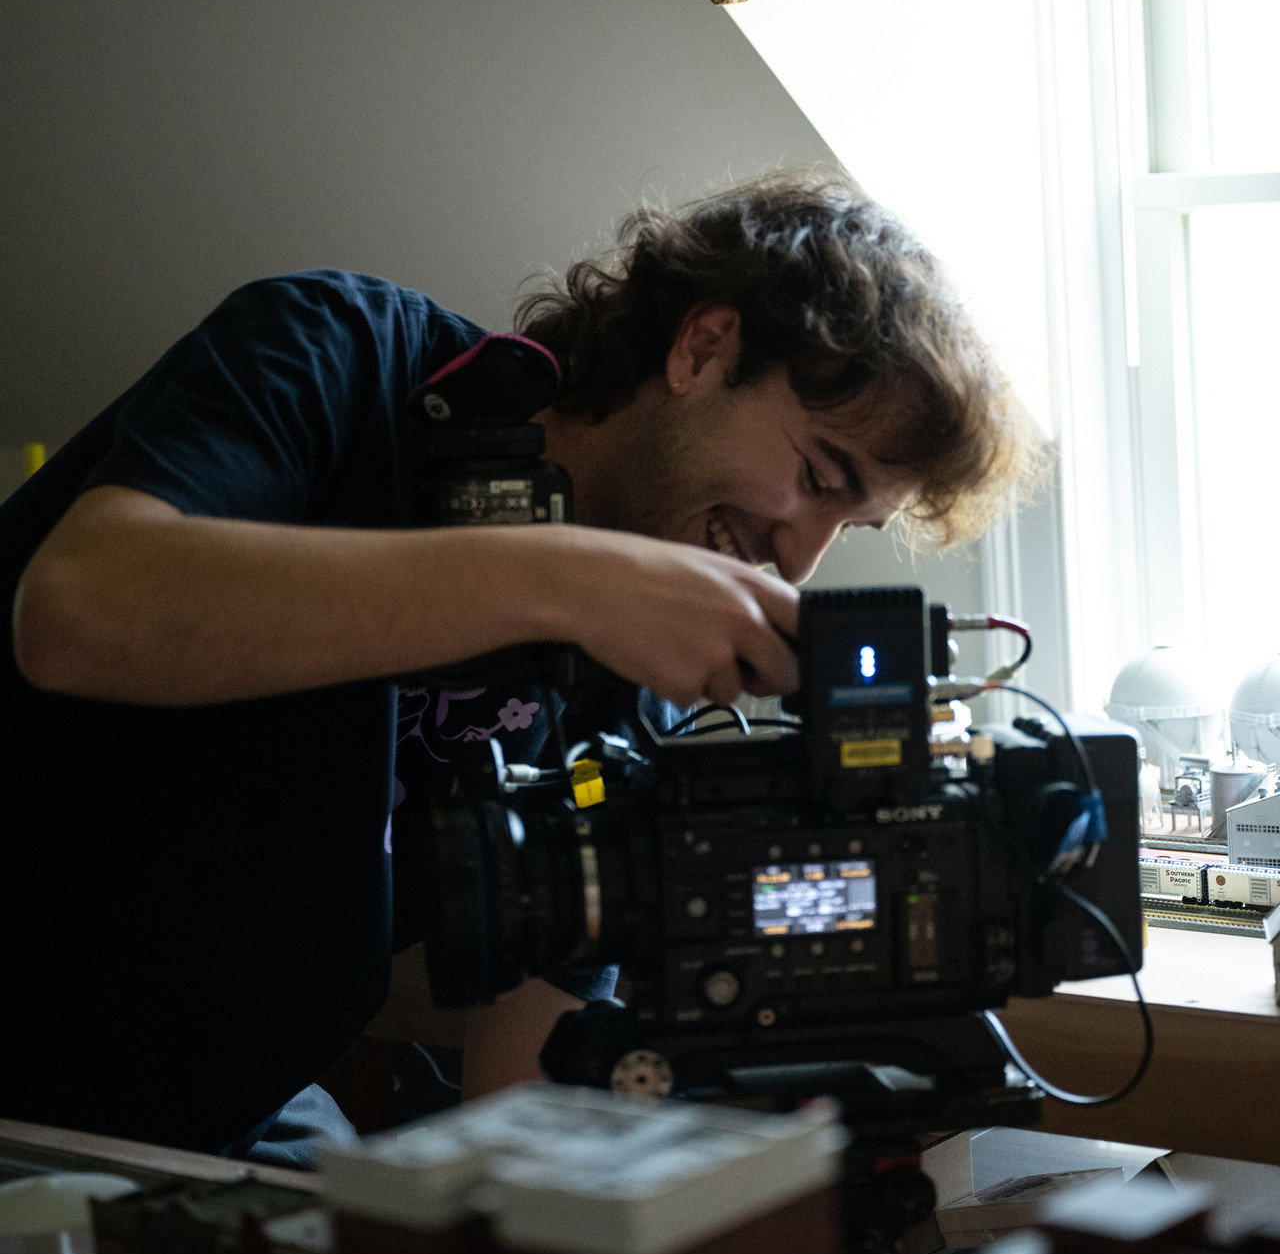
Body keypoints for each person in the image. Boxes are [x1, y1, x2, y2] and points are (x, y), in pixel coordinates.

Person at [2, 168, 1039, 1163]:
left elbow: (527, 1088)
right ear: (704, 346)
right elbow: (78, 612)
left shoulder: (635, 672)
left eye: (846, 525)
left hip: (220, 1110)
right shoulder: (336, 353)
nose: (799, 558)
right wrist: (566, 578)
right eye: (815, 475)